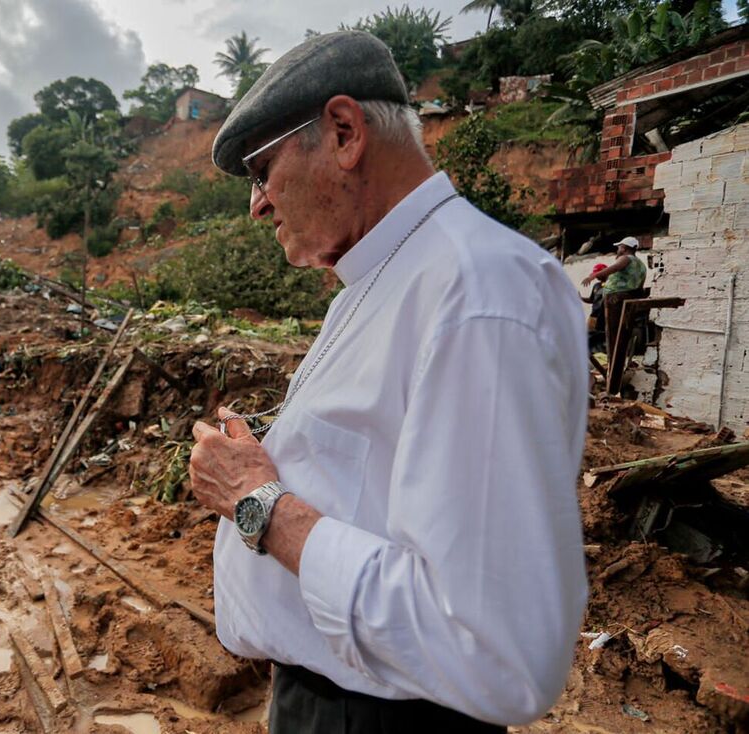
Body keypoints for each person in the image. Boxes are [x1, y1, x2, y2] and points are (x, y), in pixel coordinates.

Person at [187, 31, 588, 733]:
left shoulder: (476, 292)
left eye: (261, 170)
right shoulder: (377, 286)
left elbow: (495, 651)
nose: (257, 204)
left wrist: (259, 506)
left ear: (343, 133)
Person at [581, 236, 646, 360]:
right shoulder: (641, 264)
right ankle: (615, 356)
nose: (618, 249)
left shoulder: (625, 258)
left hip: (616, 298)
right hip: (627, 297)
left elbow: (615, 268)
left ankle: (613, 357)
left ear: (625, 248)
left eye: (620, 247)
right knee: (618, 330)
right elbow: (640, 284)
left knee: (612, 331)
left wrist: (594, 275)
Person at [581, 262, 608, 351]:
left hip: (605, 316)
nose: (596, 277)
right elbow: (591, 300)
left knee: (603, 336)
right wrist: (580, 298)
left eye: (598, 274)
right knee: (589, 336)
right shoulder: (596, 286)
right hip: (594, 316)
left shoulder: (612, 284)